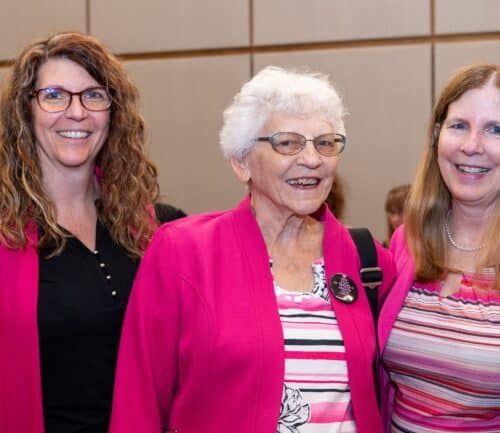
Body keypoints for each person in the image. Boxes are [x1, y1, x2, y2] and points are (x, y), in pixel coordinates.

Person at [110, 66, 395, 433]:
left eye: (325, 142)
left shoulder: (368, 260)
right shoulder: (182, 253)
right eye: (287, 143)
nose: (311, 159)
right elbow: (139, 404)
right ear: (240, 161)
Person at [0, 32, 159, 433]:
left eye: (93, 95)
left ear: (113, 111)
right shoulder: (4, 231)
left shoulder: (151, 229)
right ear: (26, 110)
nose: (76, 112)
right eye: (54, 95)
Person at [379, 64, 500, 432]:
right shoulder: (407, 242)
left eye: (495, 129)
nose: (471, 146)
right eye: (459, 125)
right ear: (436, 135)